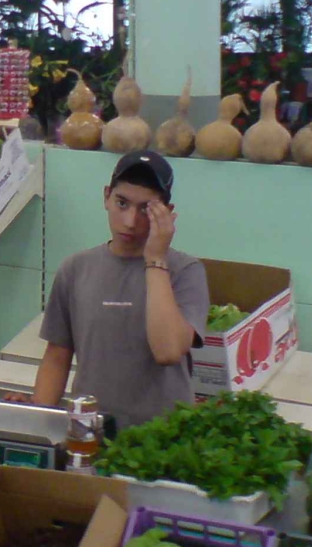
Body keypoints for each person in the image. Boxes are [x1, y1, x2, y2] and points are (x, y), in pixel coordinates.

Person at [12, 150, 210, 431]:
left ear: (166, 212)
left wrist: (155, 259)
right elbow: (57, 356)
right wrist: (38, 418)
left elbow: (167, 351)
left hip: (164, 438)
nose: (130, 221)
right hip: (90, 432)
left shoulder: (185, 271)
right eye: (122, 203)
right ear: (106, 196)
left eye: (146, 209)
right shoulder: (75, 269)